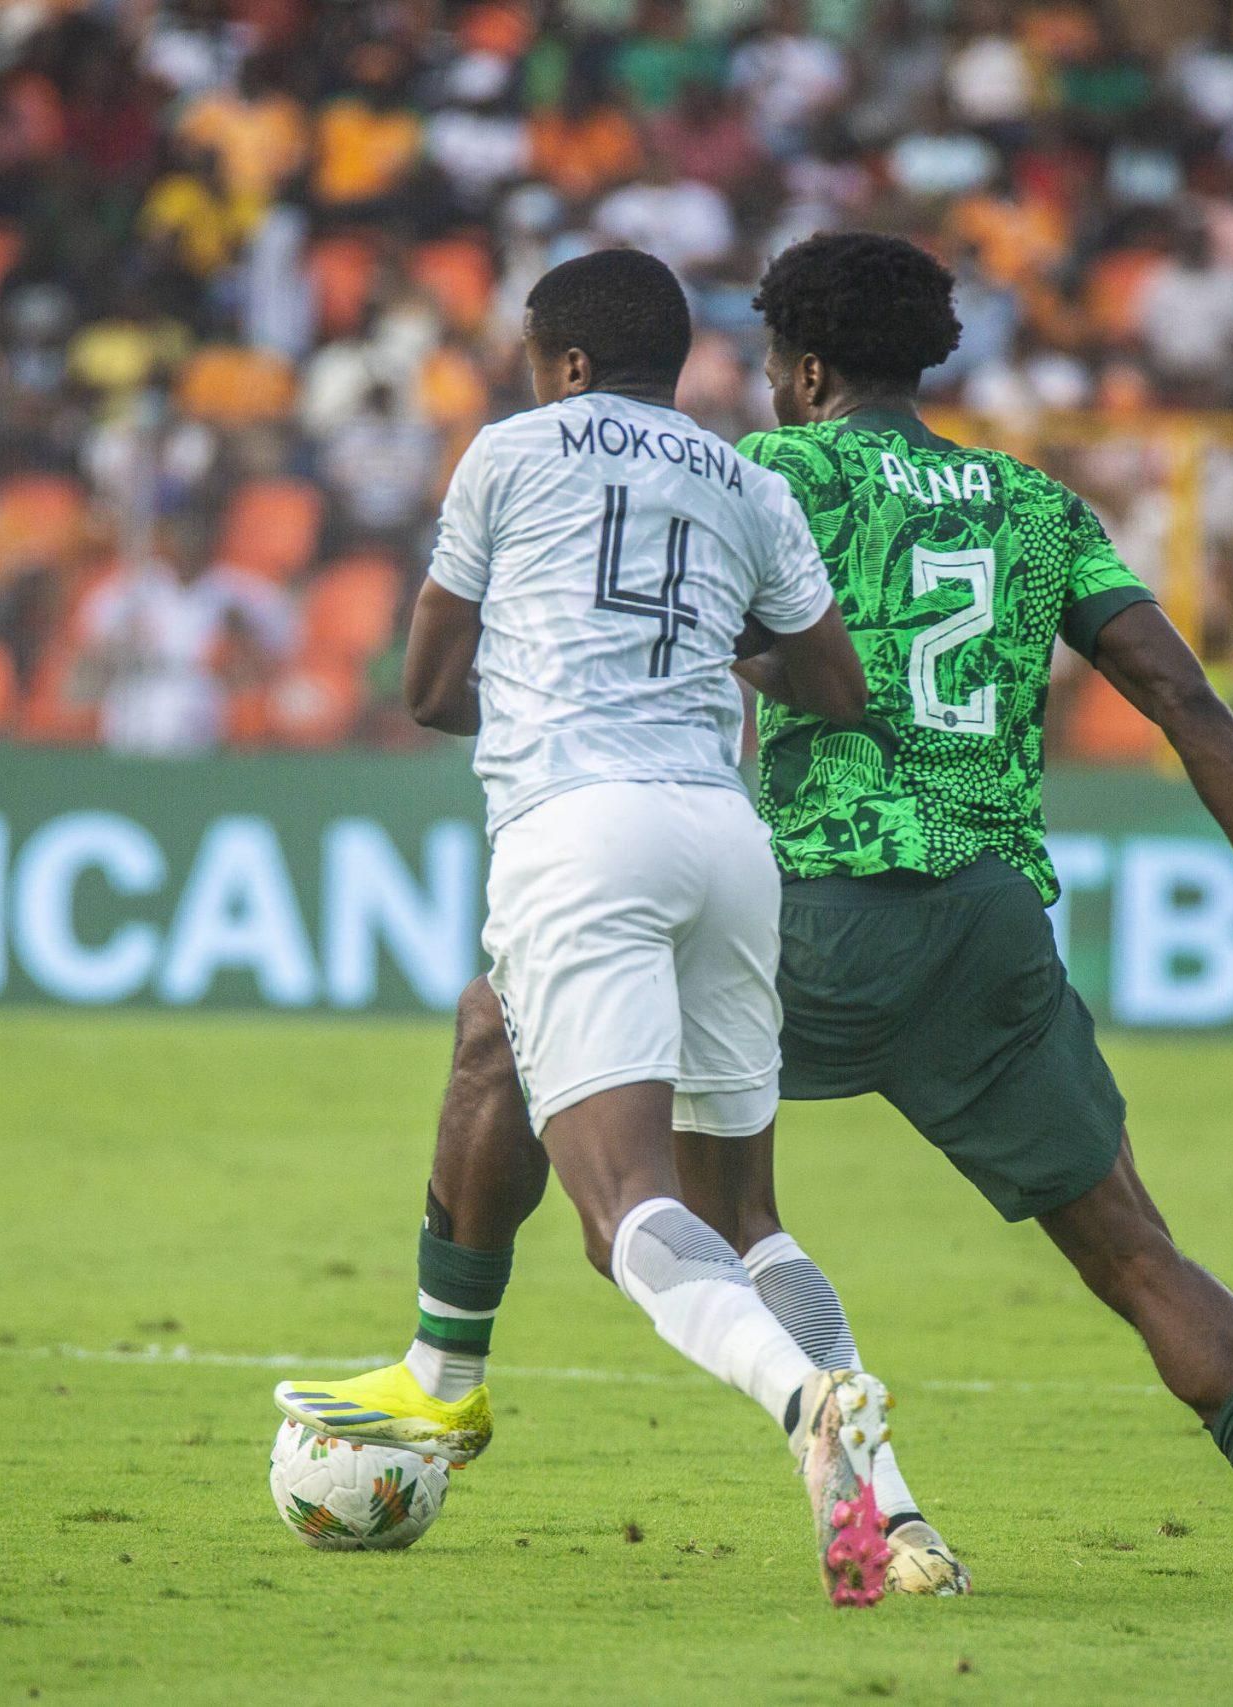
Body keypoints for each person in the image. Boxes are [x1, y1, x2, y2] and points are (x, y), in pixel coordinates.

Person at [286, 234, 1233, 1606]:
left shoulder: (770, 478)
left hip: (803, 903)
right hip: (986, 925)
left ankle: (487, 1381)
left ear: (802, 370)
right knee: (1130, 1246)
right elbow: (1181, 693)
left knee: (554, 1090)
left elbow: (693, 637)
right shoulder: (1031, 505)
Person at [272, 249, 903, 1607]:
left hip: (580, 827)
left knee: (626, 1215)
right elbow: (836, 686)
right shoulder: (749, 476)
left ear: (561, 364)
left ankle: (808, 1401)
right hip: (724, 839)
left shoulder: (510, 452)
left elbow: (432, 688)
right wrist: (691, 647)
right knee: (733, 1205)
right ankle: (894, 1512)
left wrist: (565, 663)